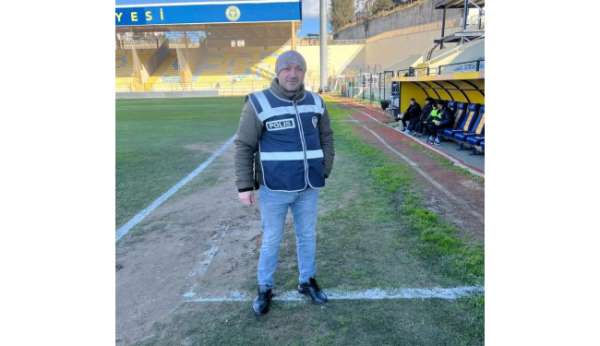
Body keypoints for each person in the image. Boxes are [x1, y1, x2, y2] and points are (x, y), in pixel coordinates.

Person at [234, 50, 335, 316]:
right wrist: (245, 186)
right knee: (271, 240)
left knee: (307, 237)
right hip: (274, 189)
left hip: (308, 187)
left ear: (304, 72)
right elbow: (244, 145)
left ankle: (307, 281)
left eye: (298, 68)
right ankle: (264, 288)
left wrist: (324, 169)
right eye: (287, 68)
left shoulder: (316, 102)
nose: (292, 74)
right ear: (278, 72)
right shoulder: (258, 103)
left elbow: (327, 137)